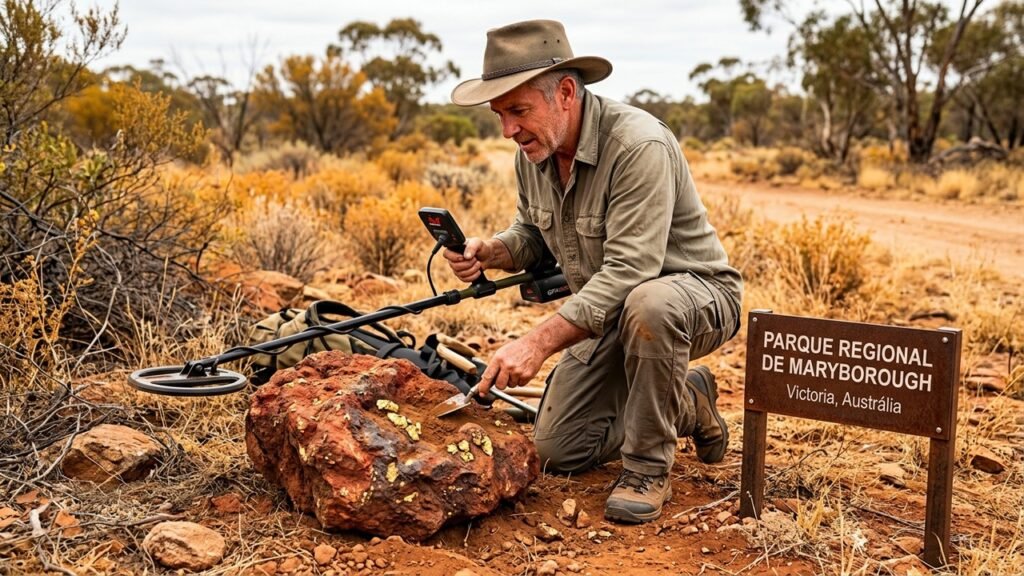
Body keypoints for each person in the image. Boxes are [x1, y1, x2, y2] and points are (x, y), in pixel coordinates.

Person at [445, 19, 743, 524]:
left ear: (565, 92)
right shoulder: (534, 152)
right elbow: (534, 234)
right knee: (558, 449)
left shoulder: (637, 146)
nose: (508, 131)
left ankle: (648, 470)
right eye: (500, 115)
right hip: (608, 315)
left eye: (518, 111)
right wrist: (491, 251)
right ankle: (689, 402)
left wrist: (536, 344)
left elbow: (631, 270)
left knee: (651, 303)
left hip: (694, 300)